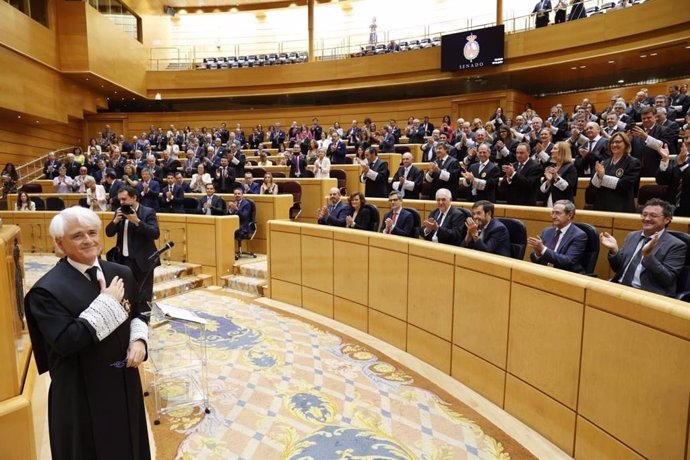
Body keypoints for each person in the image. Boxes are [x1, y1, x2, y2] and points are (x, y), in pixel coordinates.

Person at [24, 206, 150, 460]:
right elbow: (66, 341)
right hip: (80, 393)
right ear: (60, 244)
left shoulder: (121, 272)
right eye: (77, 235)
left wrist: (139, 340)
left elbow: (138, 311)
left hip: (123, 381)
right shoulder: (45, 291)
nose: (88, 240)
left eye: (92, 232)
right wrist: (106, 304)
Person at [600, 198, 686, 297]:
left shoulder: (676, 245)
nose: (646, 219)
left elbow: (667, 279)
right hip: (620, 288)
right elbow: (618, 268)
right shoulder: (632, 236)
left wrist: (648, 256)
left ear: (667, 219)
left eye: (653, 215)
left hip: (647, 295)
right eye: (644, 214)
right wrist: (614, 250)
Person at [105, 186, 161, 304]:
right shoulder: (118, 212)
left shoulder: (148, 212)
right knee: (127, 293)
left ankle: (143, 320)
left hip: (143, 260)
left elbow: (155, 234)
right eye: (119, 200)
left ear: (134, 198)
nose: (121, 202)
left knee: (144, 295)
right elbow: (109, 233)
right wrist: (115, 221)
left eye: (124, 199)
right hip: (124, 261)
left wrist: (137, 221)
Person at [528, 200, 587, 273]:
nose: (553, 216)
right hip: (546, 272)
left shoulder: (579, 235)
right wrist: (538, 254)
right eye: (553, 213)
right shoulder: (547, 231)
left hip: (566, 275)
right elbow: (534, 259)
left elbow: (568, 261)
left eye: (558, 213)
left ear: (569, 215)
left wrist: (543, 249)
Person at [590, 132, 641, 213]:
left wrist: (602, 177)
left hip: (621, 207)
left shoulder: (633, 162)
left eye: (618, 142)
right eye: (612, 142)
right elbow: (594, 185)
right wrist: (598, 176)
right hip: (601, 206)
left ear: (626, 144)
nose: (614, 145)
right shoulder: (604, 162)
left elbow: (625, 184)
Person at [656, 132, 690, 216]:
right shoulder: (676, 159)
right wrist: (665, 160)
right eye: (686, 138)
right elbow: (661, 181)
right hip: (672, 207)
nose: (688, 141)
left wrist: (682, 164)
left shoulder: (680, 160)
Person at [539, 141, 578, 207]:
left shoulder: (571, 168)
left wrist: (556, 176)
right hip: (549, 202)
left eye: (555, 149)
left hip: (563, 205)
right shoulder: (551, 167)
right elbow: (542, 190)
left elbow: (567, 189)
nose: (551, 151)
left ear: (562, 151)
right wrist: (548, 181)